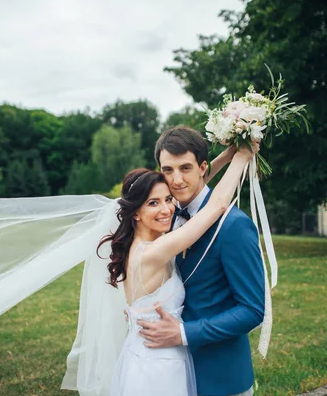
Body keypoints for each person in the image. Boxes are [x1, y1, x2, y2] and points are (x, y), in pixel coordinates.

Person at [96, 139, 258, 396]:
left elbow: (252, 309)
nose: (166, 208)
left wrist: (228, 154)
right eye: (153, 203)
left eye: (167, 200)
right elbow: (216, 205)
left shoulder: (150, 236)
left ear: (201, 168)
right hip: (159, 370)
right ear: (135, 212)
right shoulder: (157, 245)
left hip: (196, 369)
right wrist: (242, 156)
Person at [136, 126, 266, 396]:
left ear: (202, 167)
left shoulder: (235, 226)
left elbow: (253, 310)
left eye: (185, 168)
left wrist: (184, 333)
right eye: (168, 170)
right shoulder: (164, 216)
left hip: (220, 377)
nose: (176, 180)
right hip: (166, 374)